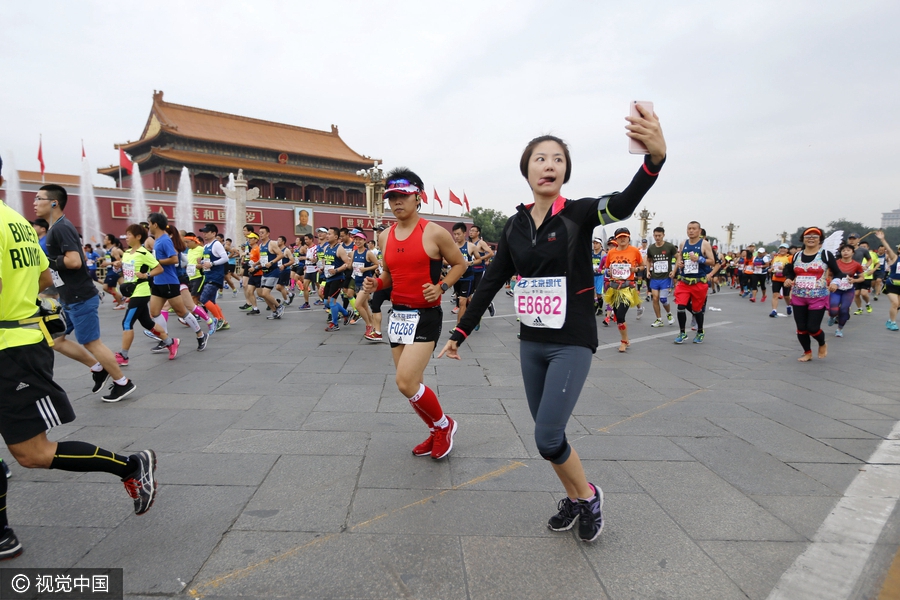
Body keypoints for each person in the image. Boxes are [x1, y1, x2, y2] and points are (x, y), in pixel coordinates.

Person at [440, 106, 666, 543]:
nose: (550, 164)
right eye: (541, 158)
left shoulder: (580, 214)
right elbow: (491, 280)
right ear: (526, 170)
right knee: (551, 435)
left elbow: (622, 203)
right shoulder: (514, 226)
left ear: (566, 172)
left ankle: (589, 495)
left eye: (558, 159)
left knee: (546, 437)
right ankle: (576, 498)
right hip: (532, 342)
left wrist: (652, 161)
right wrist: (460, 332)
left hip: (573, 340)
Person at [0, 167, 158, 560]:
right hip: (19, 338)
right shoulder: (15, 222)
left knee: (33, 453)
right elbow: (40, 278)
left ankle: (130, 465)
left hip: (11, 349)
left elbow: (51, 272)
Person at [363, 168, 468, 460]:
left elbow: (460, 265)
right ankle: (435, 430)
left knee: (405, 381)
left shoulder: (434, 232)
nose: (397, 203)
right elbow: (390, 276)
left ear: (417, 197)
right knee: (410, 386)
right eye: (392, 198)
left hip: (425, 315)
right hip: (398, 316)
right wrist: (376, 283)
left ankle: (444, 426)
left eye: (403, 196)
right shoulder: (385, 236)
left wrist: (442, 286)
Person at [34, 185, 137, 402]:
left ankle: (122, 382)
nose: (35, 202)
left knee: (92, 342)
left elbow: (74, 261)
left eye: (39, 198)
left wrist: (46, 261)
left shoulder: (61, 228)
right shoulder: (56, 228)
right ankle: (98, 368)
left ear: (54, 202)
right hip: (69, 297)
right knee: (57, 340)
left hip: (80, 296)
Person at [146, 213, 209, 352]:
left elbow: (174, 260)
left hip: (169, 282)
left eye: (149, 223)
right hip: (158, 281)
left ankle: (200, 335)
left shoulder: (165, 240)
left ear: (155, 224)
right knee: (155, 312)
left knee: (182, 312)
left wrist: (155, 261)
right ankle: (166, 339)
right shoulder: (157, 240)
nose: (148, 226)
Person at [115, 224, 176, 365]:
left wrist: (146, 275)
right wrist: (119, 264)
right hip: (132, 291)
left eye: (129, 234)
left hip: (141, 292)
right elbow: (128, 269)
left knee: (127, 322)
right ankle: (170, 342)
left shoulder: (144, 253)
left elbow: (159, 268)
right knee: (147, 323)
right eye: (126, 234)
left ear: (138, 237)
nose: (127, 237)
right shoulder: (127, 253)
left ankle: (123, 356)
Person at [783, 226, 842, 361]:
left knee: (813, 328)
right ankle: (807, 352)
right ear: (803, 239)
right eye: (808, 236)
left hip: (818, 296)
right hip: (799, 296)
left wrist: (835, 283)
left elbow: (838, 272)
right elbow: (791, 271)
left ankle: (822, 343)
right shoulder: (797, 255)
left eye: (815, 236)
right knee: (801, 328)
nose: (811, 239)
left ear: (820, 240)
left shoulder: (825, 255)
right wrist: (788, 279)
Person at [673, 221, 716, 344]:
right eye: (689, 228)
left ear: (699, 231)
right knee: (680, 306)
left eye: (694, 228)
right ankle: (682, 333)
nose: (691, 231)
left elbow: (712, 261)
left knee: (697, 309)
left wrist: (700, 259)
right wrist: (680, 264)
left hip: (699, 282)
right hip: (684, 281)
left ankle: (700, 331)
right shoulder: (683, 244)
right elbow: (680, 259)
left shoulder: (705, 244)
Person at [603, 227, 644, 352]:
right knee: (617, 317)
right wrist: (609, 271)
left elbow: (642, 266)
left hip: (627, 288)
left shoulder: (634, 251)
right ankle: (626, 338)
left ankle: (623, 342)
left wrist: (635, 270)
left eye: (624, 236)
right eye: (620, 237)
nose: (622, 239)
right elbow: (607, 269)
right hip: (614, 288)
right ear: (616, 239)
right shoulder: (611, 253)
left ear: (628, 238)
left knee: (620, 315)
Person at [828, 243, 865, 337]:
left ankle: (839, 329)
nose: (845, 252)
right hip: (836, 289)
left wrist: (854, 280)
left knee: (844, 309)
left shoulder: (856, 265)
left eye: (848, 250)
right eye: (843, 250)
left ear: (853, 253)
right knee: (833, 308)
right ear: (840, 252)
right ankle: (832, 316)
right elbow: (828, 275)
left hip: (848, 290)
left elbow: (862, 278)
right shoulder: (835, 263)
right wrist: (831, 283)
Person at [644, 226, 677, 327]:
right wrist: (648, 271)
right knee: (655, 298)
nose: (657, 237)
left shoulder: (669, 246)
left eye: (659, 235)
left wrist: (674, 270)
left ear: (663, 235)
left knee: (663, 299)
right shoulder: (651, 248)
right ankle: (659, 319)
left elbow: (678, 256)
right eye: (655, 235)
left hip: (665, 277)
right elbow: (648, 260)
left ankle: (669, 314)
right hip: (654, 277)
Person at [873, 231, 899, 330]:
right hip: (891, 285)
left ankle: (890, 320)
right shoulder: (895, 258)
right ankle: (893, 322)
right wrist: (882, 239)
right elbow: (888, 248)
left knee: (898, 306)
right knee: (895, 303)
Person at [769, 243, 793, 317]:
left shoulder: (790, 257)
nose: (782, 249)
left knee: (786, 296)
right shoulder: (775, 257)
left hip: (785, 279)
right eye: (781, 248)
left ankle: (788, 306)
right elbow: (772, 266)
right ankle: (774, 310)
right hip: (776, 278)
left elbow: (792, 268)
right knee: (775, 294)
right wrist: (771, 269)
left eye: (784, 248)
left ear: (787, 250)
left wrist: (784, 268)